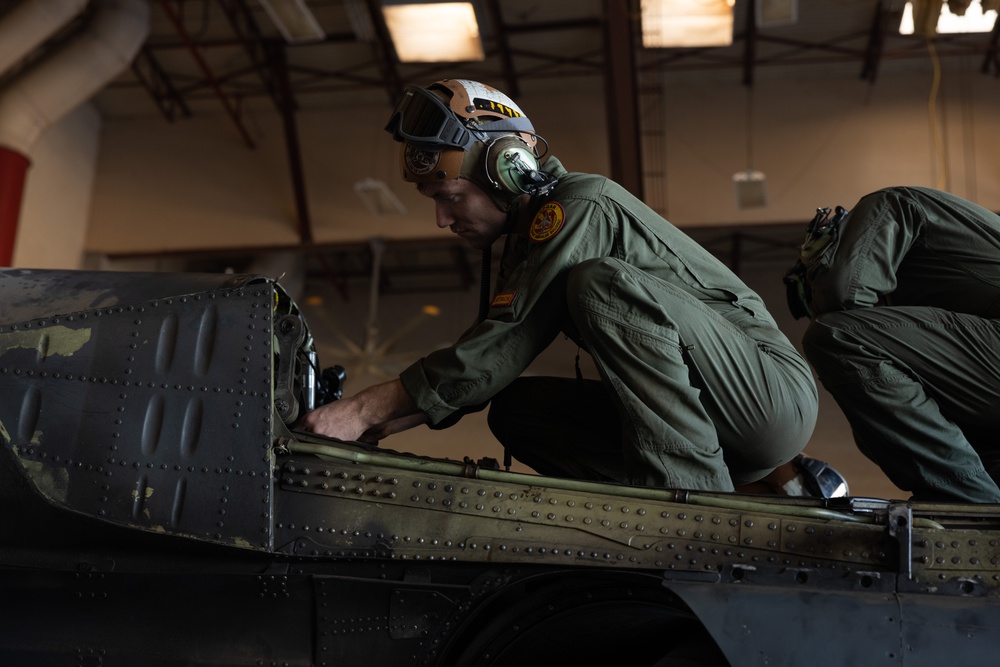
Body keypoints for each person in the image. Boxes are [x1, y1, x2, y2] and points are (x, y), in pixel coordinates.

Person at [300, 78, 819, 493]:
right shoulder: (525, 243)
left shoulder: (580, 204)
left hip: (769, 401)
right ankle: (654, 502)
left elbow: (505, 341)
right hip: (717, 424)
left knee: (601, 284)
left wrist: (361, 409)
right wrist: (389, 421)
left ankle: (694, 509)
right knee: (517, 411)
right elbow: (489, 357)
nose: (441, 219)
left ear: (508, 169)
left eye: (450, 197)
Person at [785, 186, 1000, 503]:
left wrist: (825, 301)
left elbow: (843, 293)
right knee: (880, 427)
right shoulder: (926, 283)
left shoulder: (883, 207)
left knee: (840, 336)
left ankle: (971, 506)